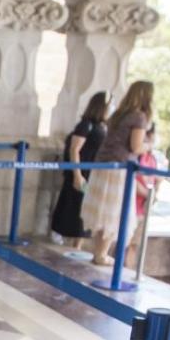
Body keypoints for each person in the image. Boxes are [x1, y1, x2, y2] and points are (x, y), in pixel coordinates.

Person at [81, 80, 159, 267]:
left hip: (102, 166)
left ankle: (98, 252)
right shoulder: (139, 117)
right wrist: (150, 145)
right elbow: (135, 146)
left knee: (102, 211)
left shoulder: (118, 114)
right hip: (119, 169)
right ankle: (101, 254)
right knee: (114, 212)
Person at [50, 90, 106, 245]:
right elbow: (74, 149)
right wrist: (77, 174)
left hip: (91, 173)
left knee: (84, 209)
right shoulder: (85, 125)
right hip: (80, 172)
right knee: (72, 205)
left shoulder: (102, 126)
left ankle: (78, 245)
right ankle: (60, 234)